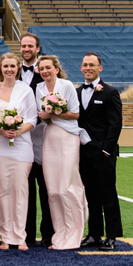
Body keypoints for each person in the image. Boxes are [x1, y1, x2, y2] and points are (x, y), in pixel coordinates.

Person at [34, 53, 87, 251]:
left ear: (56, 69)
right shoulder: (39, 88)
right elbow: (41, 115)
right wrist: (44, 116)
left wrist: (54, 112)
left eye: (48, 67)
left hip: (67, 136)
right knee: (54, 189)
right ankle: (61, 233)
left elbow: (75, 113)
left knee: (67, 186)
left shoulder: (66, 86)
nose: (45, 71)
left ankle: (74, 233)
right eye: (42, 68)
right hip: (50, 137)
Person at [0, 53, 38, 251]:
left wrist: (17, 131)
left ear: (18, 68)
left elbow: (32, 118)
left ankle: (20, 235)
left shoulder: (25, 89)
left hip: (22, 146)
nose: (9, 69)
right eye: (5, 66)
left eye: (12, 66)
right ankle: (5, 236)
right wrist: (1, 130)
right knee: (0, 192)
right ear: (0, 68)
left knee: (20, 191)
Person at [77, 52, 124, 249]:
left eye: (92, 65)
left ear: (99, 68)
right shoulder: (77, 92)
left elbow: (115, 124)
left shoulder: (110, 92)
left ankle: (112, 236)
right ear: (81, 68)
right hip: (84, 153)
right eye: (85, 64)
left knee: (108, 195)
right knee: (91, 196)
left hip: (103, 154)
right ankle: (94, 234)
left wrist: (106, 150)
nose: (88, 68)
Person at [18, 31, 52, 247]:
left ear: (38, 49)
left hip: (46, 141)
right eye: (24, 46)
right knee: (25, 191)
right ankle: (26, 235)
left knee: (47, 190)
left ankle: (49, 234)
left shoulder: (47, 73)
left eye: (30, 46)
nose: (27, 49)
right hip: (21, 142)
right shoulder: (12, 73)